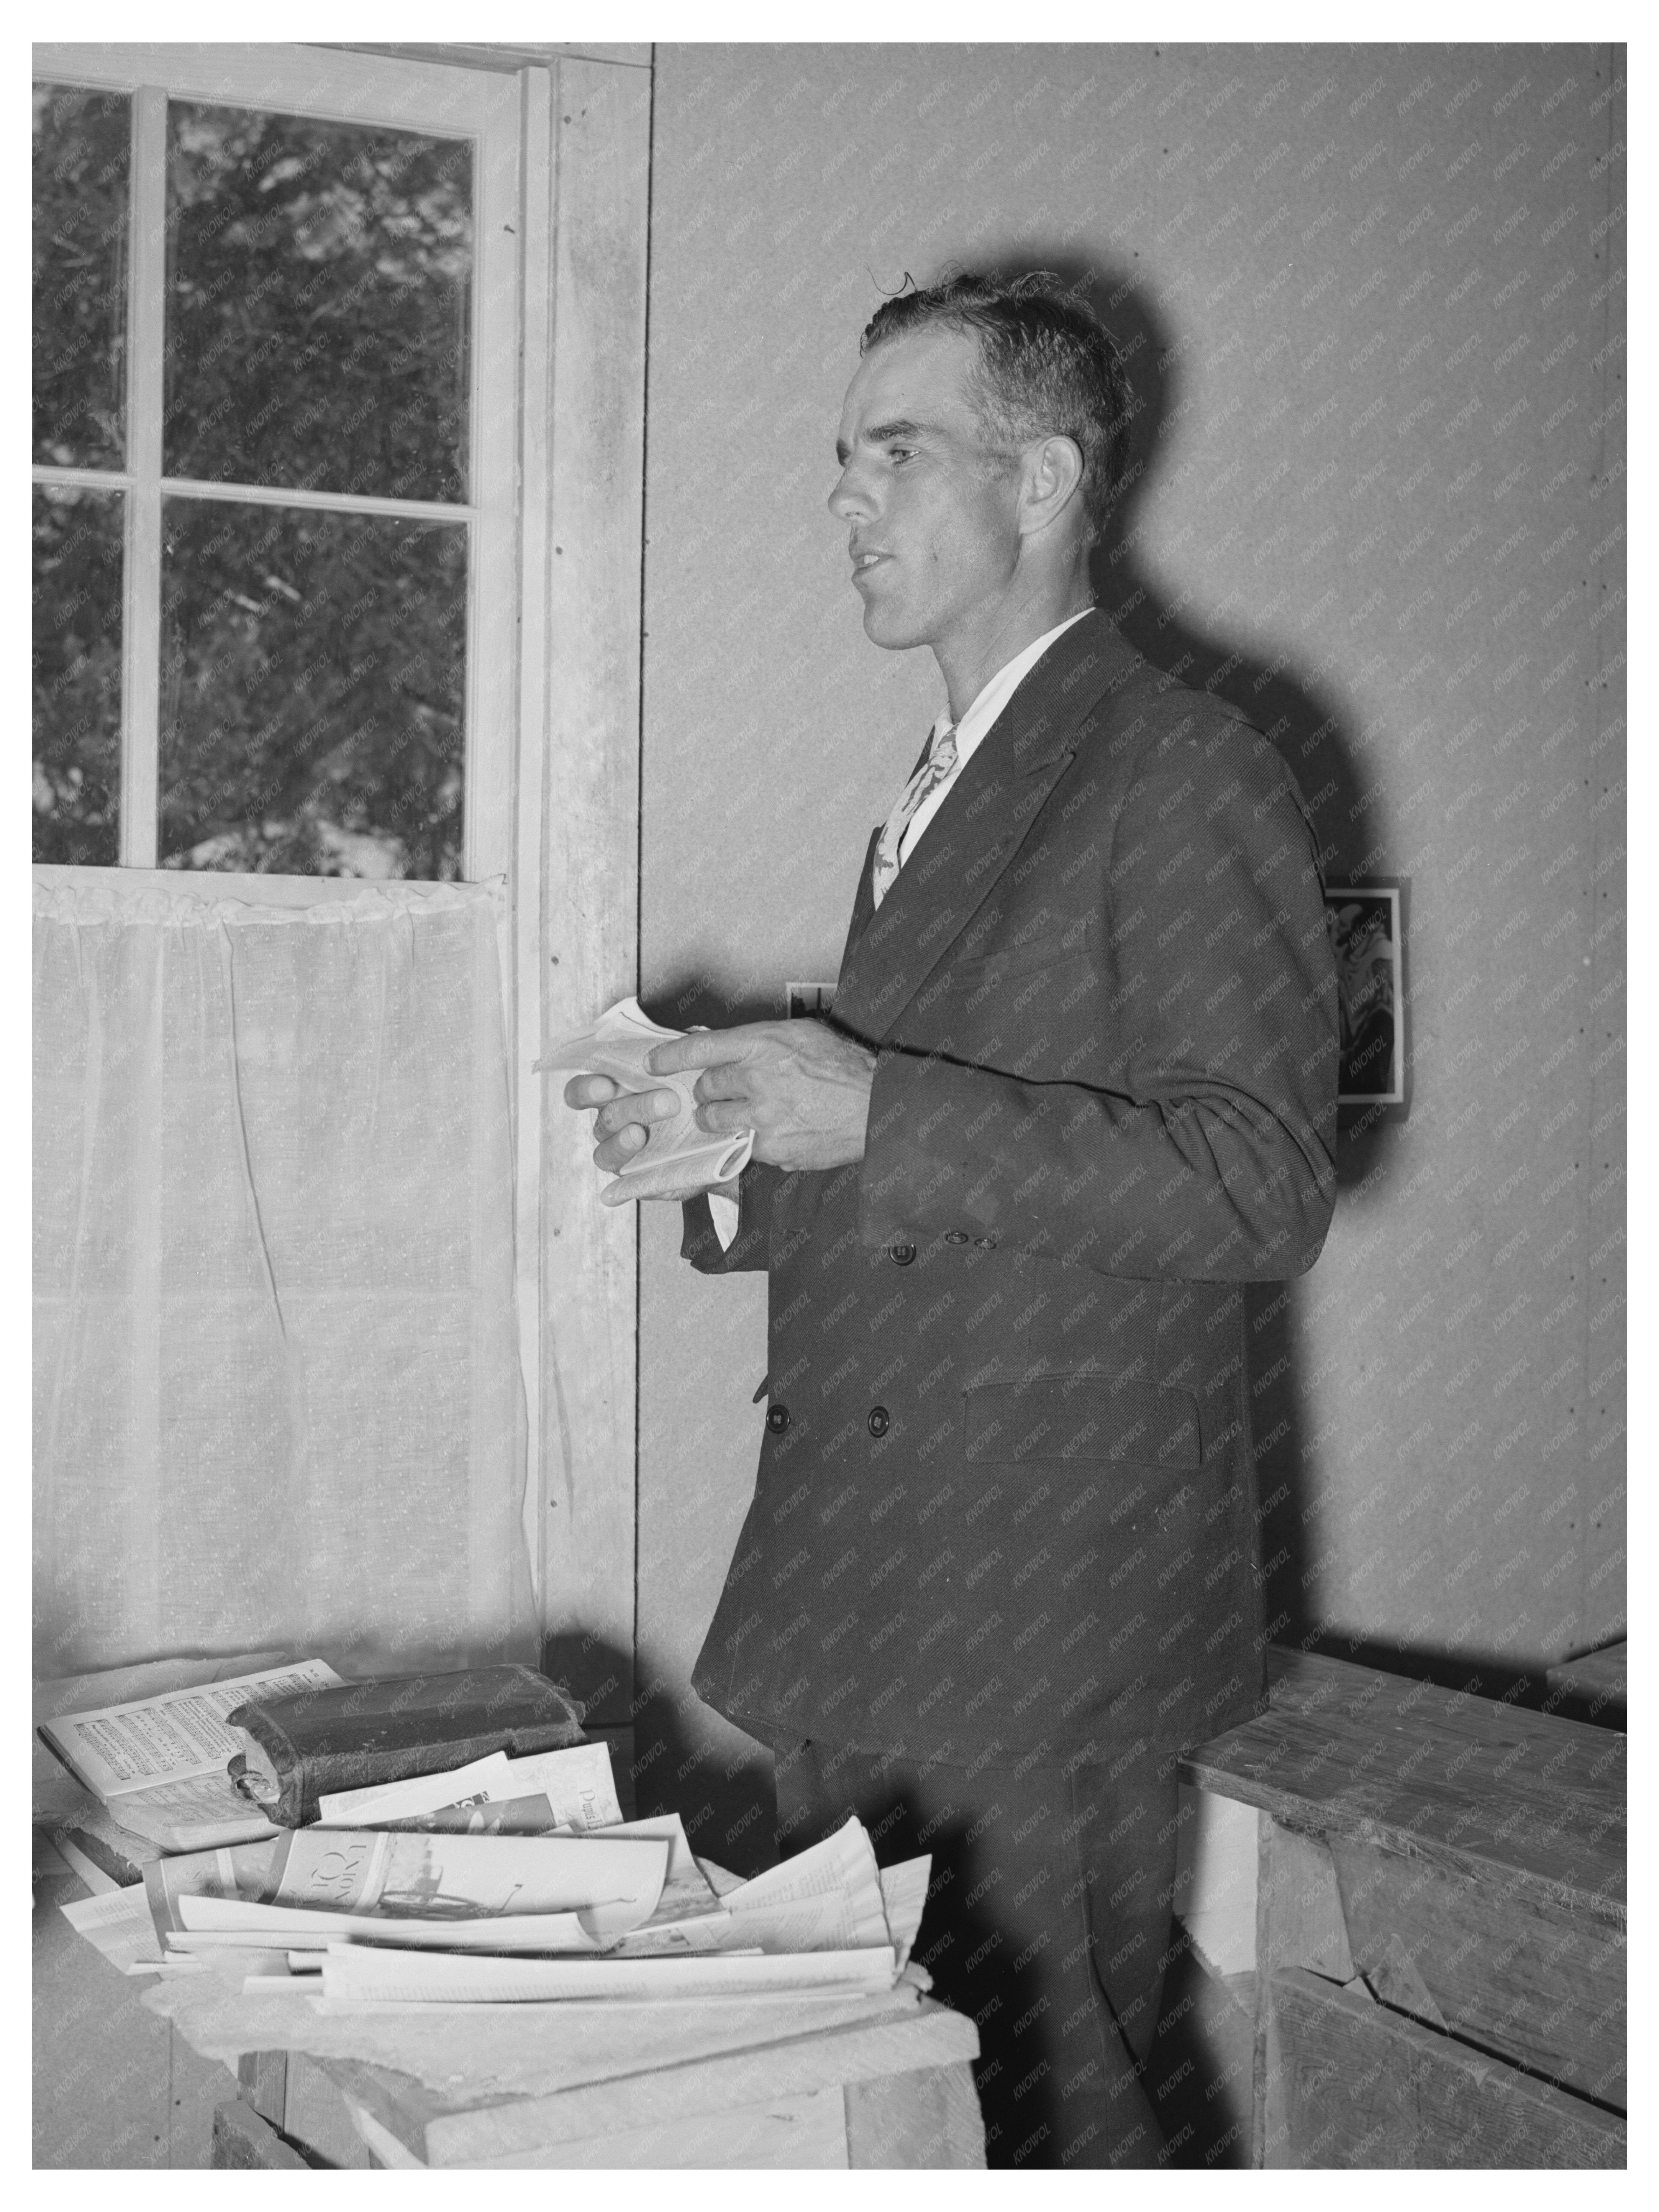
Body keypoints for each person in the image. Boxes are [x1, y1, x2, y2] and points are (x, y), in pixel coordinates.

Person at [566, 271, 1338, 2167]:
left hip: (1044, 1620)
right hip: (872, 1593)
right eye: (841, 462)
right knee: (910, 2124)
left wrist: (871, 1105)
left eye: (894, 456)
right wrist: (739, 1145)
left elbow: (1258, 1182)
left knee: (1063, 2118)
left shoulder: (1180, 764)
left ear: (1048, 479)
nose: (845, 500)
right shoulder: (936, 790)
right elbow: (928, 1180)